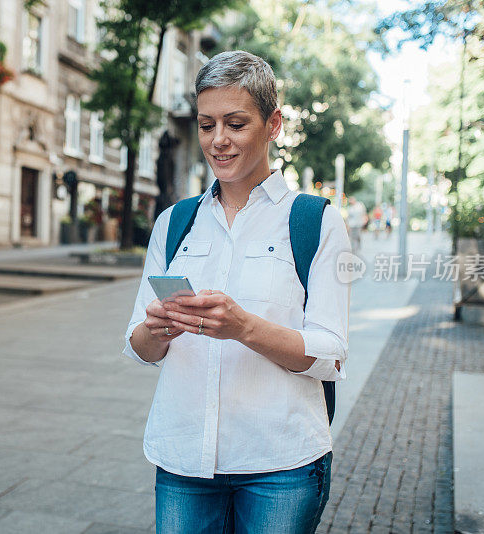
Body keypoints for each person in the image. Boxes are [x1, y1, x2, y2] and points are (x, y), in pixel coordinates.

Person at [123, 51, 350, 533]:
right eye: (207, 125)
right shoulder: (174, 222)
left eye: (236, 123)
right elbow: (139, 347)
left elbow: (332, 355)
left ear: (273, 125)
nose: (218, 140)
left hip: (280, 464)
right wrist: (157, 328)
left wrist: (244, 327)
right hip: (184, 460)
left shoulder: (314, 221)